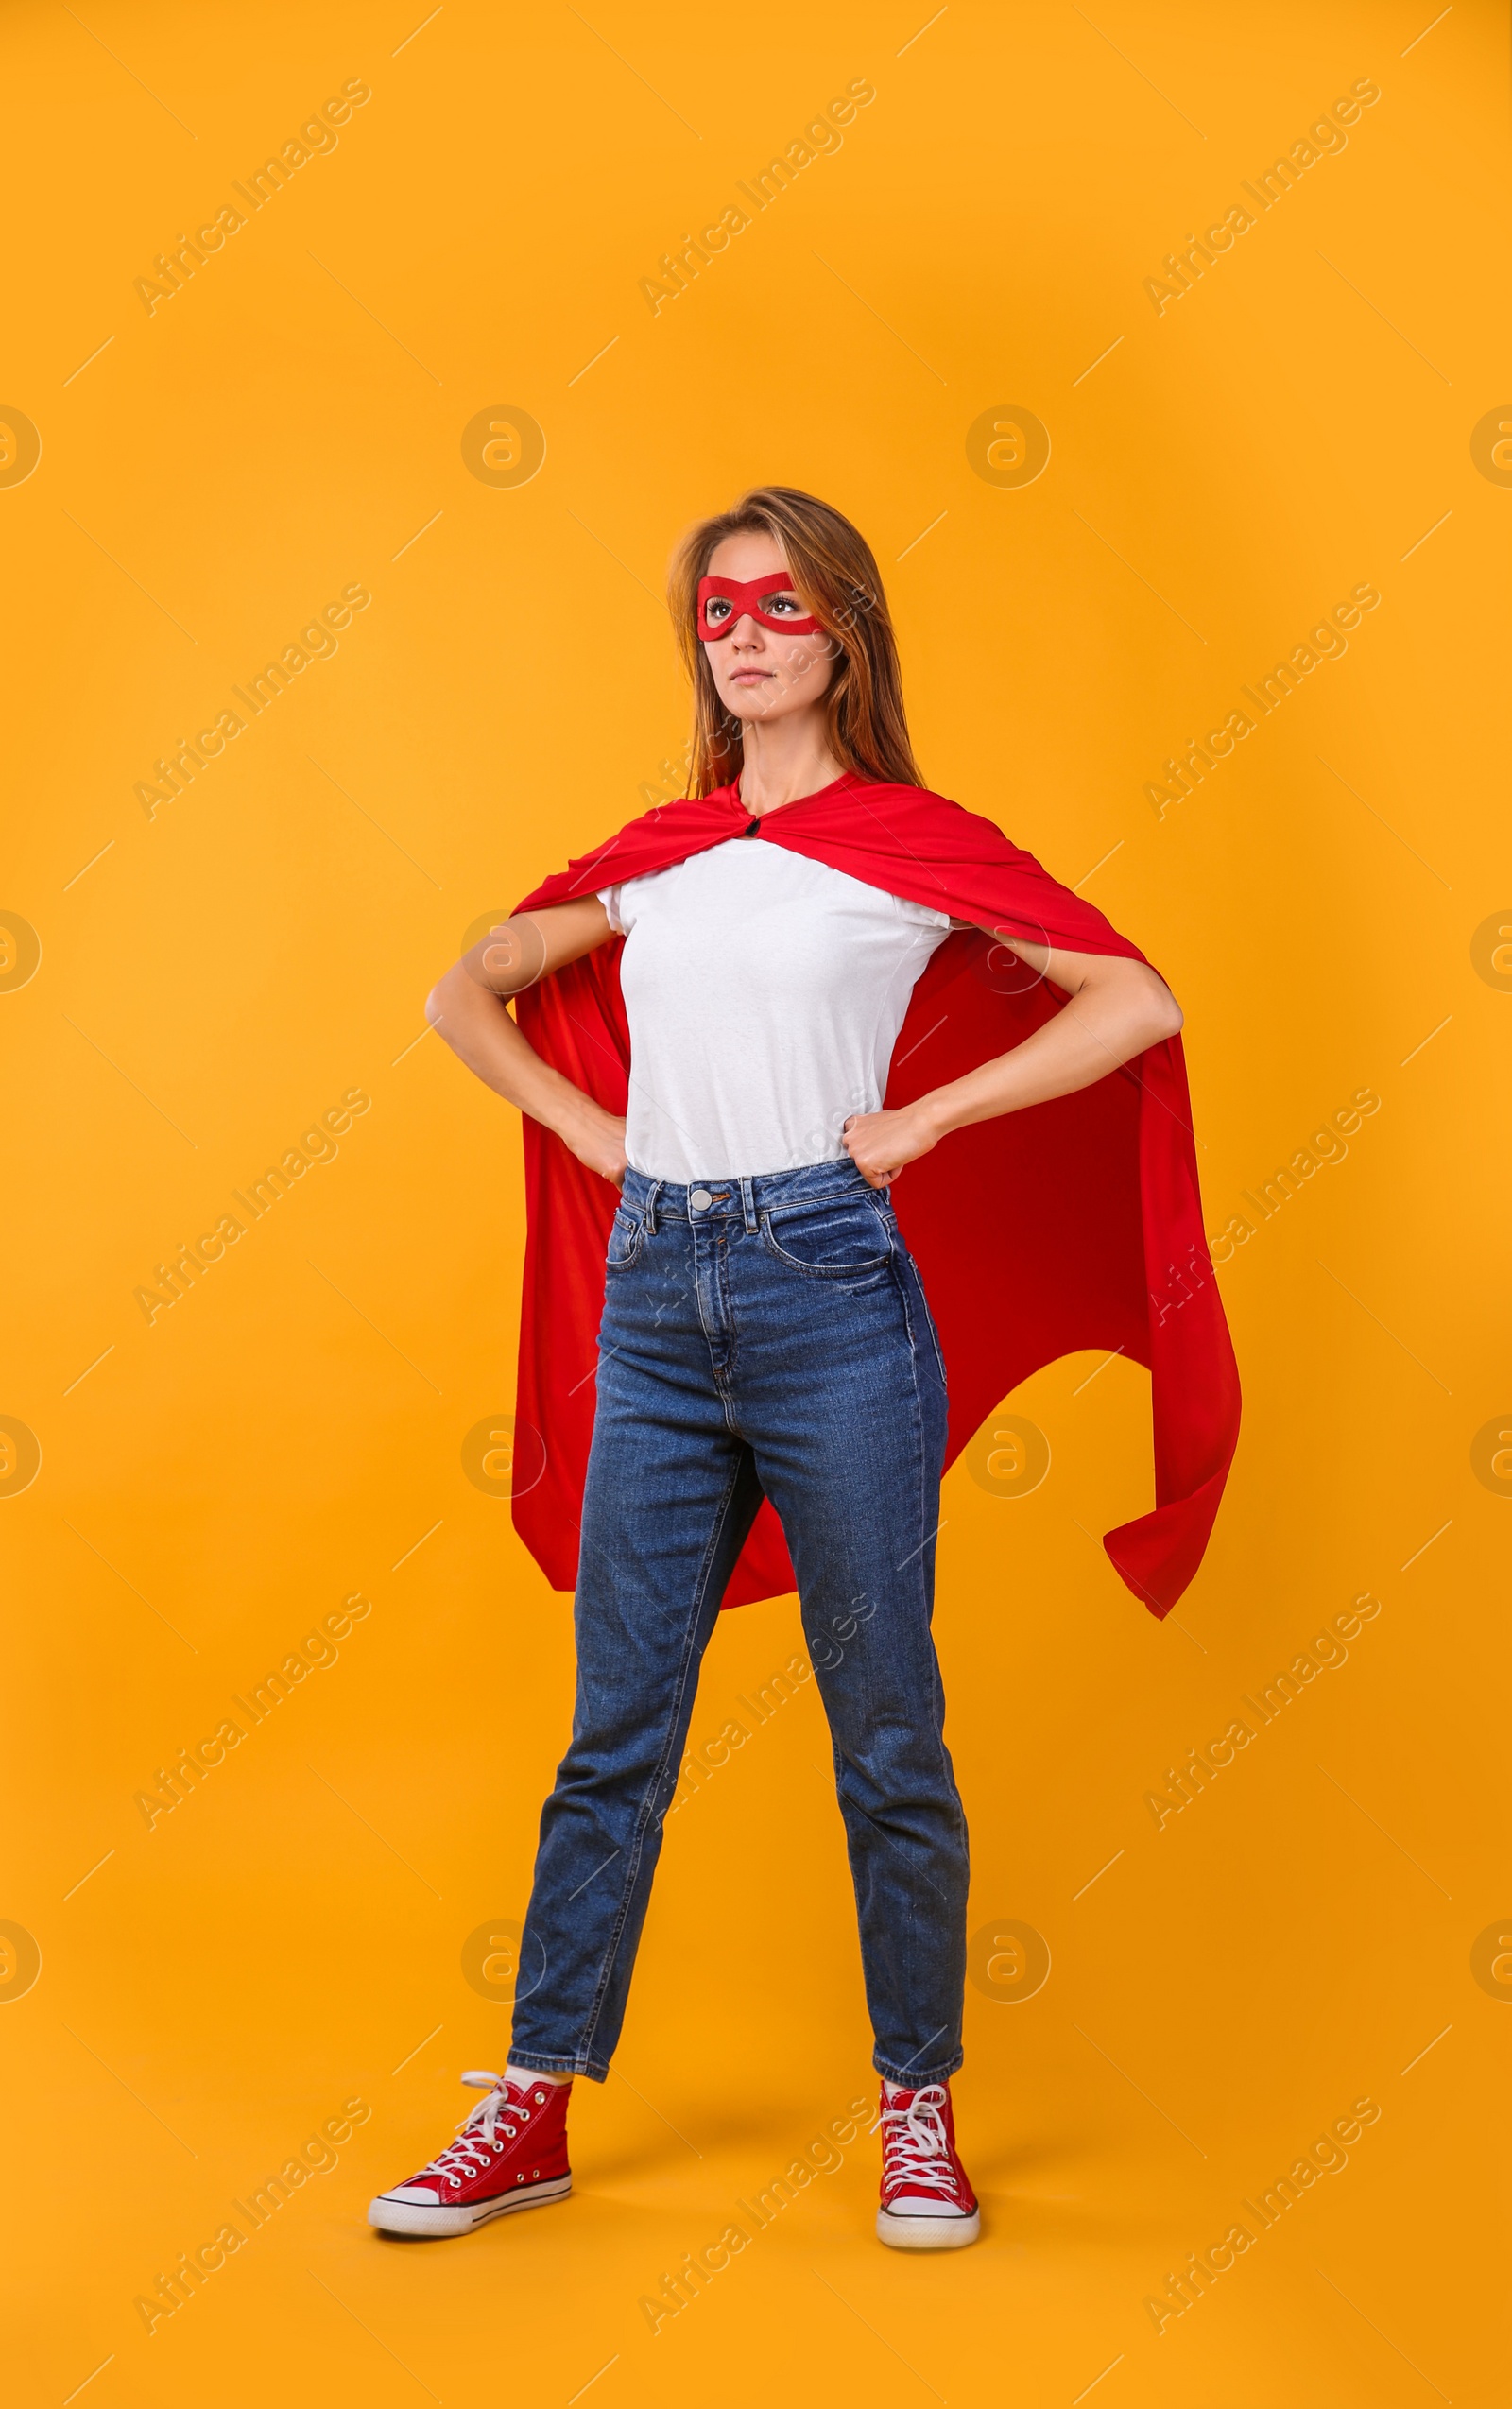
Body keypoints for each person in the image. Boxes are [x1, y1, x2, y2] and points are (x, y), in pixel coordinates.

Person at [369, 486, 1212, 2253]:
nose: (743, 634)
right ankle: (530, 2101)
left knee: (884, 1725)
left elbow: (1131, 998)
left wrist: (925, 1118)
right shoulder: (662, 852)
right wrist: (593, 1130)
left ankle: (917, 2112)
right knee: (617, 1726)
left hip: (833, 1288)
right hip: (660, 1295)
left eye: (777, 605)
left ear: (843, 628)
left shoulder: (910, 841)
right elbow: (468, 991)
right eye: (715, 614)